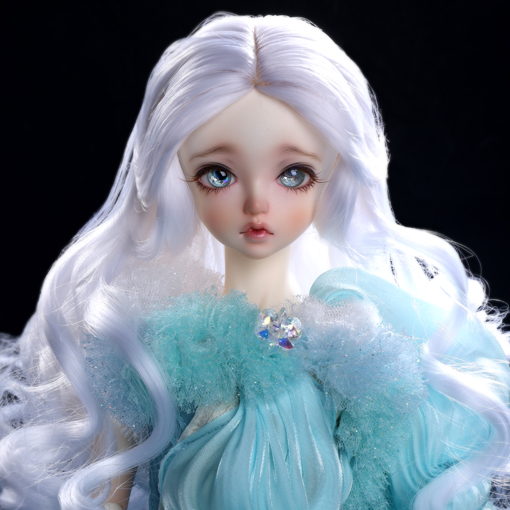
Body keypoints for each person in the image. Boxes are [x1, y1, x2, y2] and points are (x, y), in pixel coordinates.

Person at [0, 13, 509, 510]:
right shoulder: (158, 342)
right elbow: (111, 495)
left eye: (293, 174)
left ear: (332, 172)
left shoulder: (341, 344)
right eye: (218, 174)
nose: (257, 204)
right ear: (179, 173)